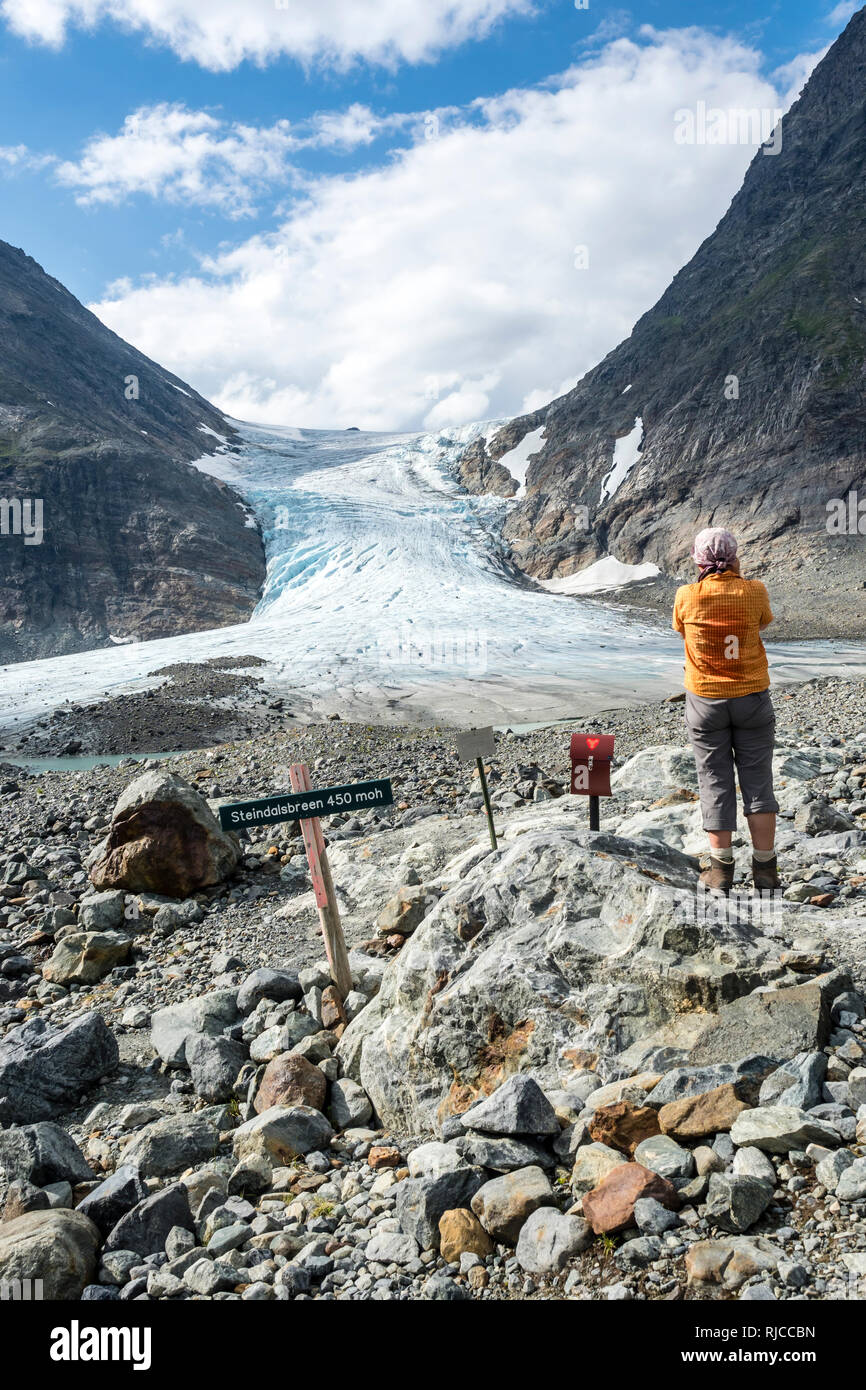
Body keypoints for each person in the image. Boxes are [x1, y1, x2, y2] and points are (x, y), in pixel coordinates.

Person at [672, 527, 780, 894]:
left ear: (699, 561)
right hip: (751, 696)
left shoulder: (687, 596)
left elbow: (680, 630)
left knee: (714, 781)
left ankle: (720, 873)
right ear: (735, 558)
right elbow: (764, 622)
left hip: (705, 701)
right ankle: (766, 871)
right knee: (758, 781)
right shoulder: (755, 591)